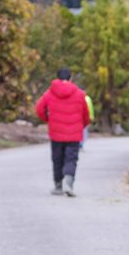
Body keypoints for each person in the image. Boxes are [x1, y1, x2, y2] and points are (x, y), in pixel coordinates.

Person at [34, 68, 93, 197]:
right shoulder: (79, 94)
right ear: (70, 78)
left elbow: (39, 108)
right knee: (71, 158)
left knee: (57, 158)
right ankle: (69, 181)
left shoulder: (50, 93)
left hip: (56, 132)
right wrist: (82, 125)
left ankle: (58, 185)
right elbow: (86, 113)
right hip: (74, 133)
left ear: (57, 78)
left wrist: (48, 120)